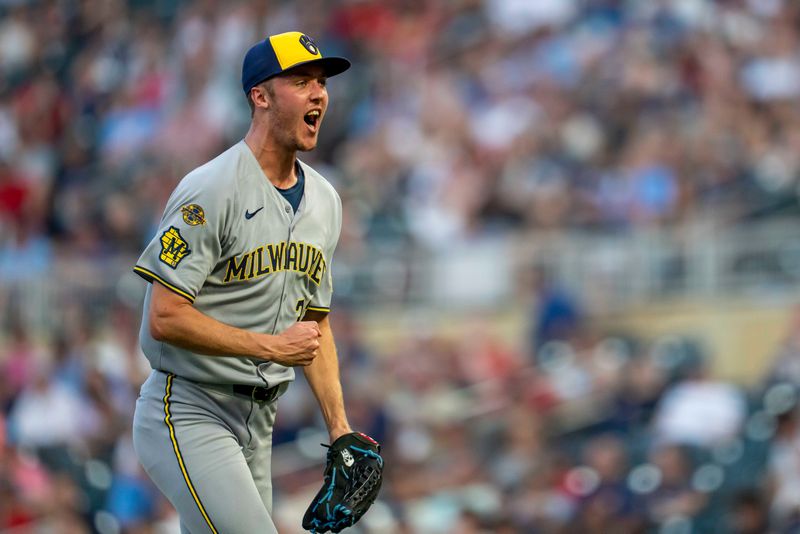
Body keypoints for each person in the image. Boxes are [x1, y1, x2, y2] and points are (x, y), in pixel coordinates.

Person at [131, 31, 357, 533]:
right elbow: (164, 317)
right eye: (301, 81)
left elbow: (314, 327)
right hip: (189, 407)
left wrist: (339, 427)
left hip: (259, 424)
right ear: (261, 96)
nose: (319, 93)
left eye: (321, 82)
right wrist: (271, 348)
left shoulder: (325, 201)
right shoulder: (210, 188)